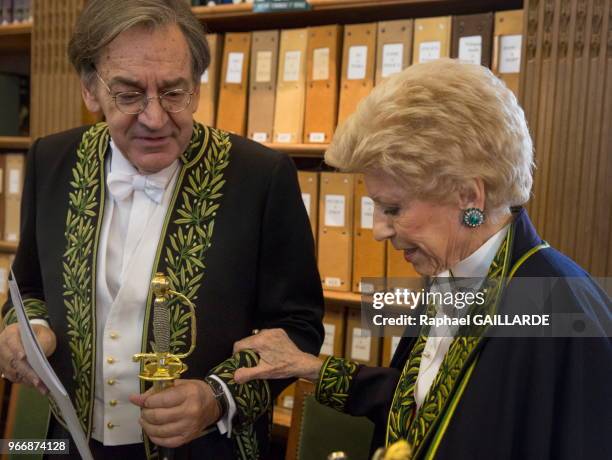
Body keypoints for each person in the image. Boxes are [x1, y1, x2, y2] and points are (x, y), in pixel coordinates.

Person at [233, 60, 612, 459]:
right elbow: (430, 408)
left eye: (393, 208)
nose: (378, 230)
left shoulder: (563, 308)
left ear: (469, 196)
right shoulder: (451, 272)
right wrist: (310, 366)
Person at [0, 1, 324, 458]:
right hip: (72, 442)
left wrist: (216, 398)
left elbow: (298, 325)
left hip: (207, 448)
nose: (154, 118)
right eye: (129, 94)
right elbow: (27, 285)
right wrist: (28, 328)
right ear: (90, 90)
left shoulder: (261, 176)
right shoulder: (52, 159)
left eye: (174, 93)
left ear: (196, 86)